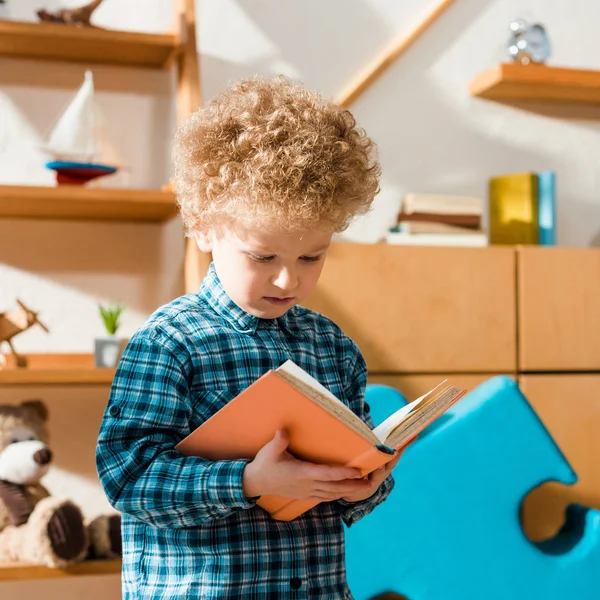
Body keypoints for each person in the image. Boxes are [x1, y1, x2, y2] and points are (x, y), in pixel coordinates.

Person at [96, 75, 406, 599]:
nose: (289, 279)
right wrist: (248, 482)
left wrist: (366, 482)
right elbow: (127, 479)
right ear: (203, 227)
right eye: (264, 257)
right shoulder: (169, 342)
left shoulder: (332, 347)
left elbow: (348, 487)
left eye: (312, 257)